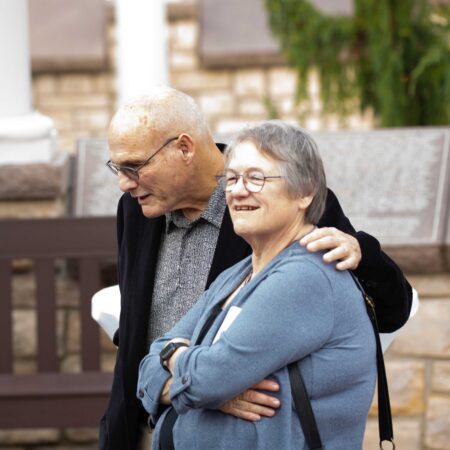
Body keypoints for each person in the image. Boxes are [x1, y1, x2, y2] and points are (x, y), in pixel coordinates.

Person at [100, 87, 412, 450]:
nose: (124, 182)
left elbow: (389, 311)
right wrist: (178, 387)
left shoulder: (284, 216)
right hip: (149, 419)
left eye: (134, 167)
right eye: (118, 168)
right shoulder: (136, 209)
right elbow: (139, 336)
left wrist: (363, 252)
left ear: (184, 148)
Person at [137, 121, 377, 449]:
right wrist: (187, 377)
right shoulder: (236, 275)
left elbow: (209, 379)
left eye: (256, 177)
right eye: (232, 178)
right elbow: (148, 369)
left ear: (305, 191)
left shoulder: (305, 278)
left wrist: (174, 360)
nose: (236, 190)